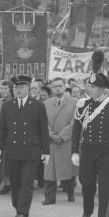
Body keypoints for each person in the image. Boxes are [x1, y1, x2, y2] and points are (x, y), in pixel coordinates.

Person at [71, 66, 109, 217]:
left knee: (104, 186)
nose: (90, 89)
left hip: (105, 150)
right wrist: (74, 151)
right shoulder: (83, 104)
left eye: (93, 87)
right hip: (87, 149)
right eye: (89, 86)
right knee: (86, 184)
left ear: (102, 89)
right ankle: (87, 212)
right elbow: (76, 129)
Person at [0, 75, 50, 217]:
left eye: (22, 87)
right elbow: (1, 128)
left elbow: (43, 130)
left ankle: (22, 211)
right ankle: (18, 206)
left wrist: (46, 151)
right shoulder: (7, 105)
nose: (19, 90)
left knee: (27, 181)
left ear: (28, 89)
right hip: (12, 149)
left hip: (31, 150)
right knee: (15, 182)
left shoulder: (37, 105)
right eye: (16, 87)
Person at [42, 77, 77, 205]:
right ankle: (49, 197)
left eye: (60, 86)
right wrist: (51, 135)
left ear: (65, 86)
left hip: (66, 141)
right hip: (51, 141)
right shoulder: (46, 103)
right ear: (52, 88)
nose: (57, 88)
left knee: (67, 169)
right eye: (55, 86)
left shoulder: (74, 102)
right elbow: (43, 122)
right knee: (49, 171)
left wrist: (62, 136)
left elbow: (75, 122)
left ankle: (70, 194)